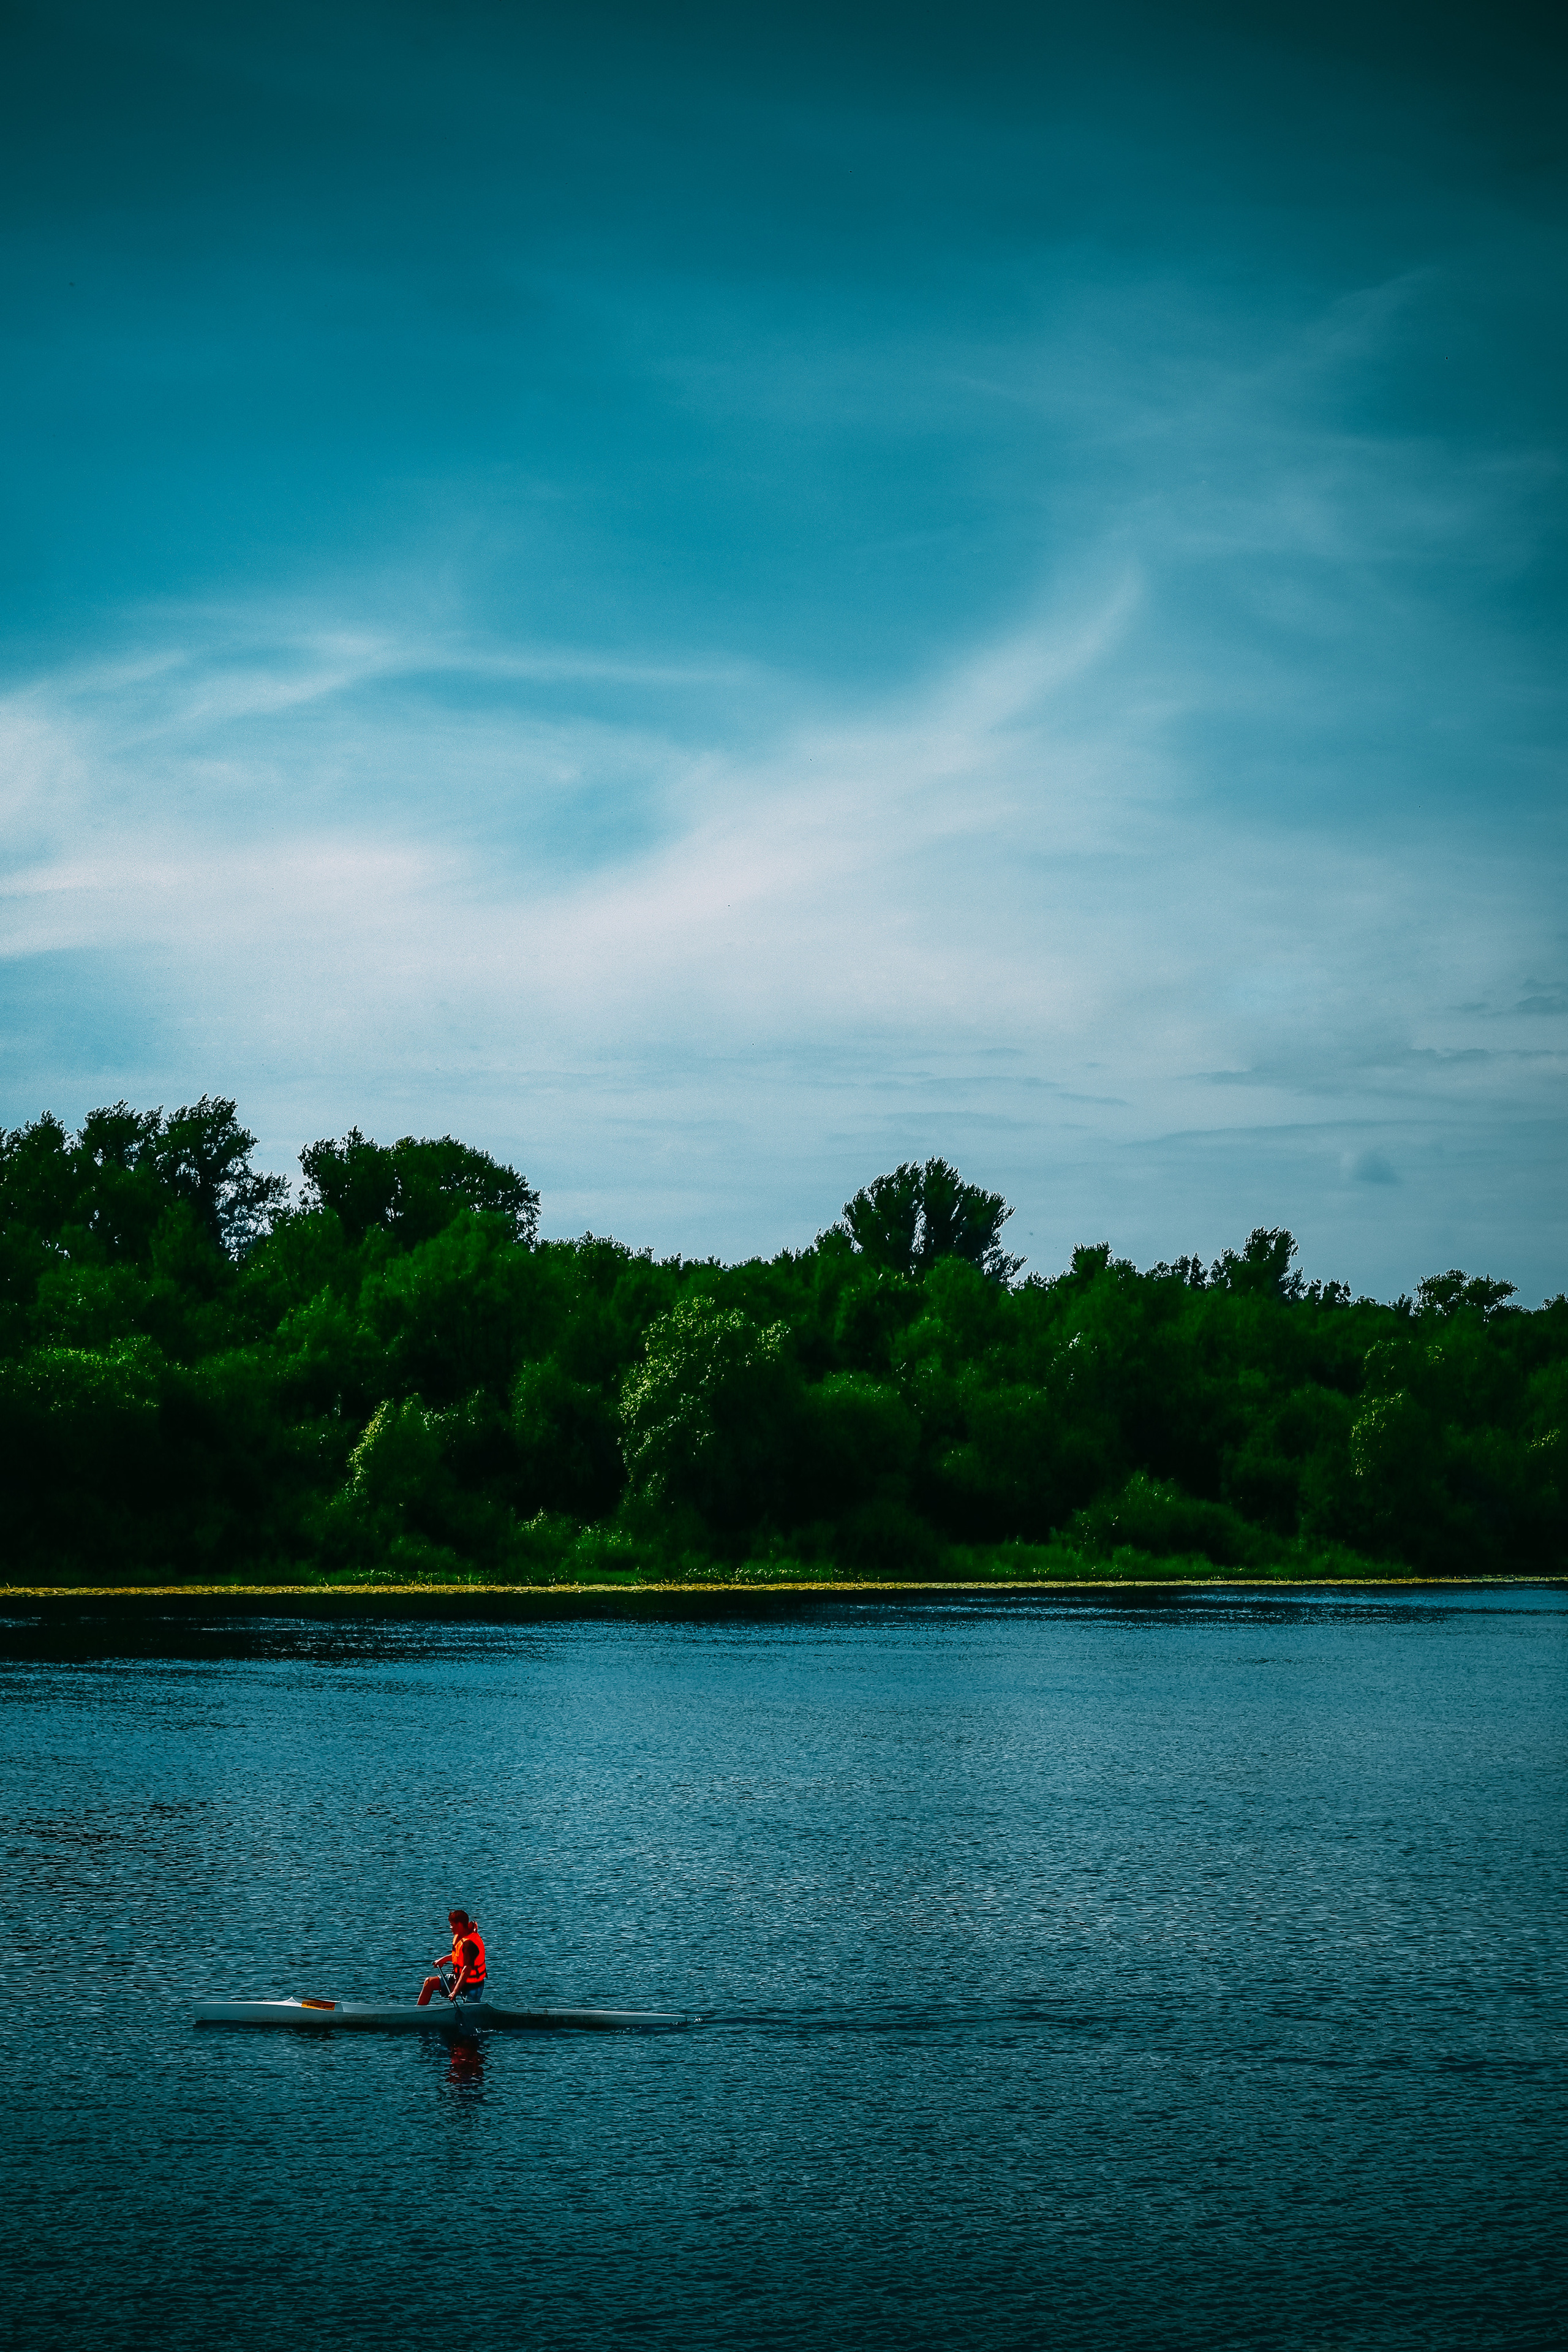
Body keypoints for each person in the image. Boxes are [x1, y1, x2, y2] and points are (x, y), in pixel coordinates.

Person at [417, 1909, 488, 2006]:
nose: (450, 1928)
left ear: (459, 1925)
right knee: (429, 1982)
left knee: (470, 2012)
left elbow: (467, 1969)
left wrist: (455, 1991)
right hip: (458, 1978)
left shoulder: (469, 1944)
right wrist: (443, 1960)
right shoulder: (462, 1937)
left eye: (452, 1925)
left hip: (473, 1986)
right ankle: (418, 2012)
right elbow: (458, 1956)